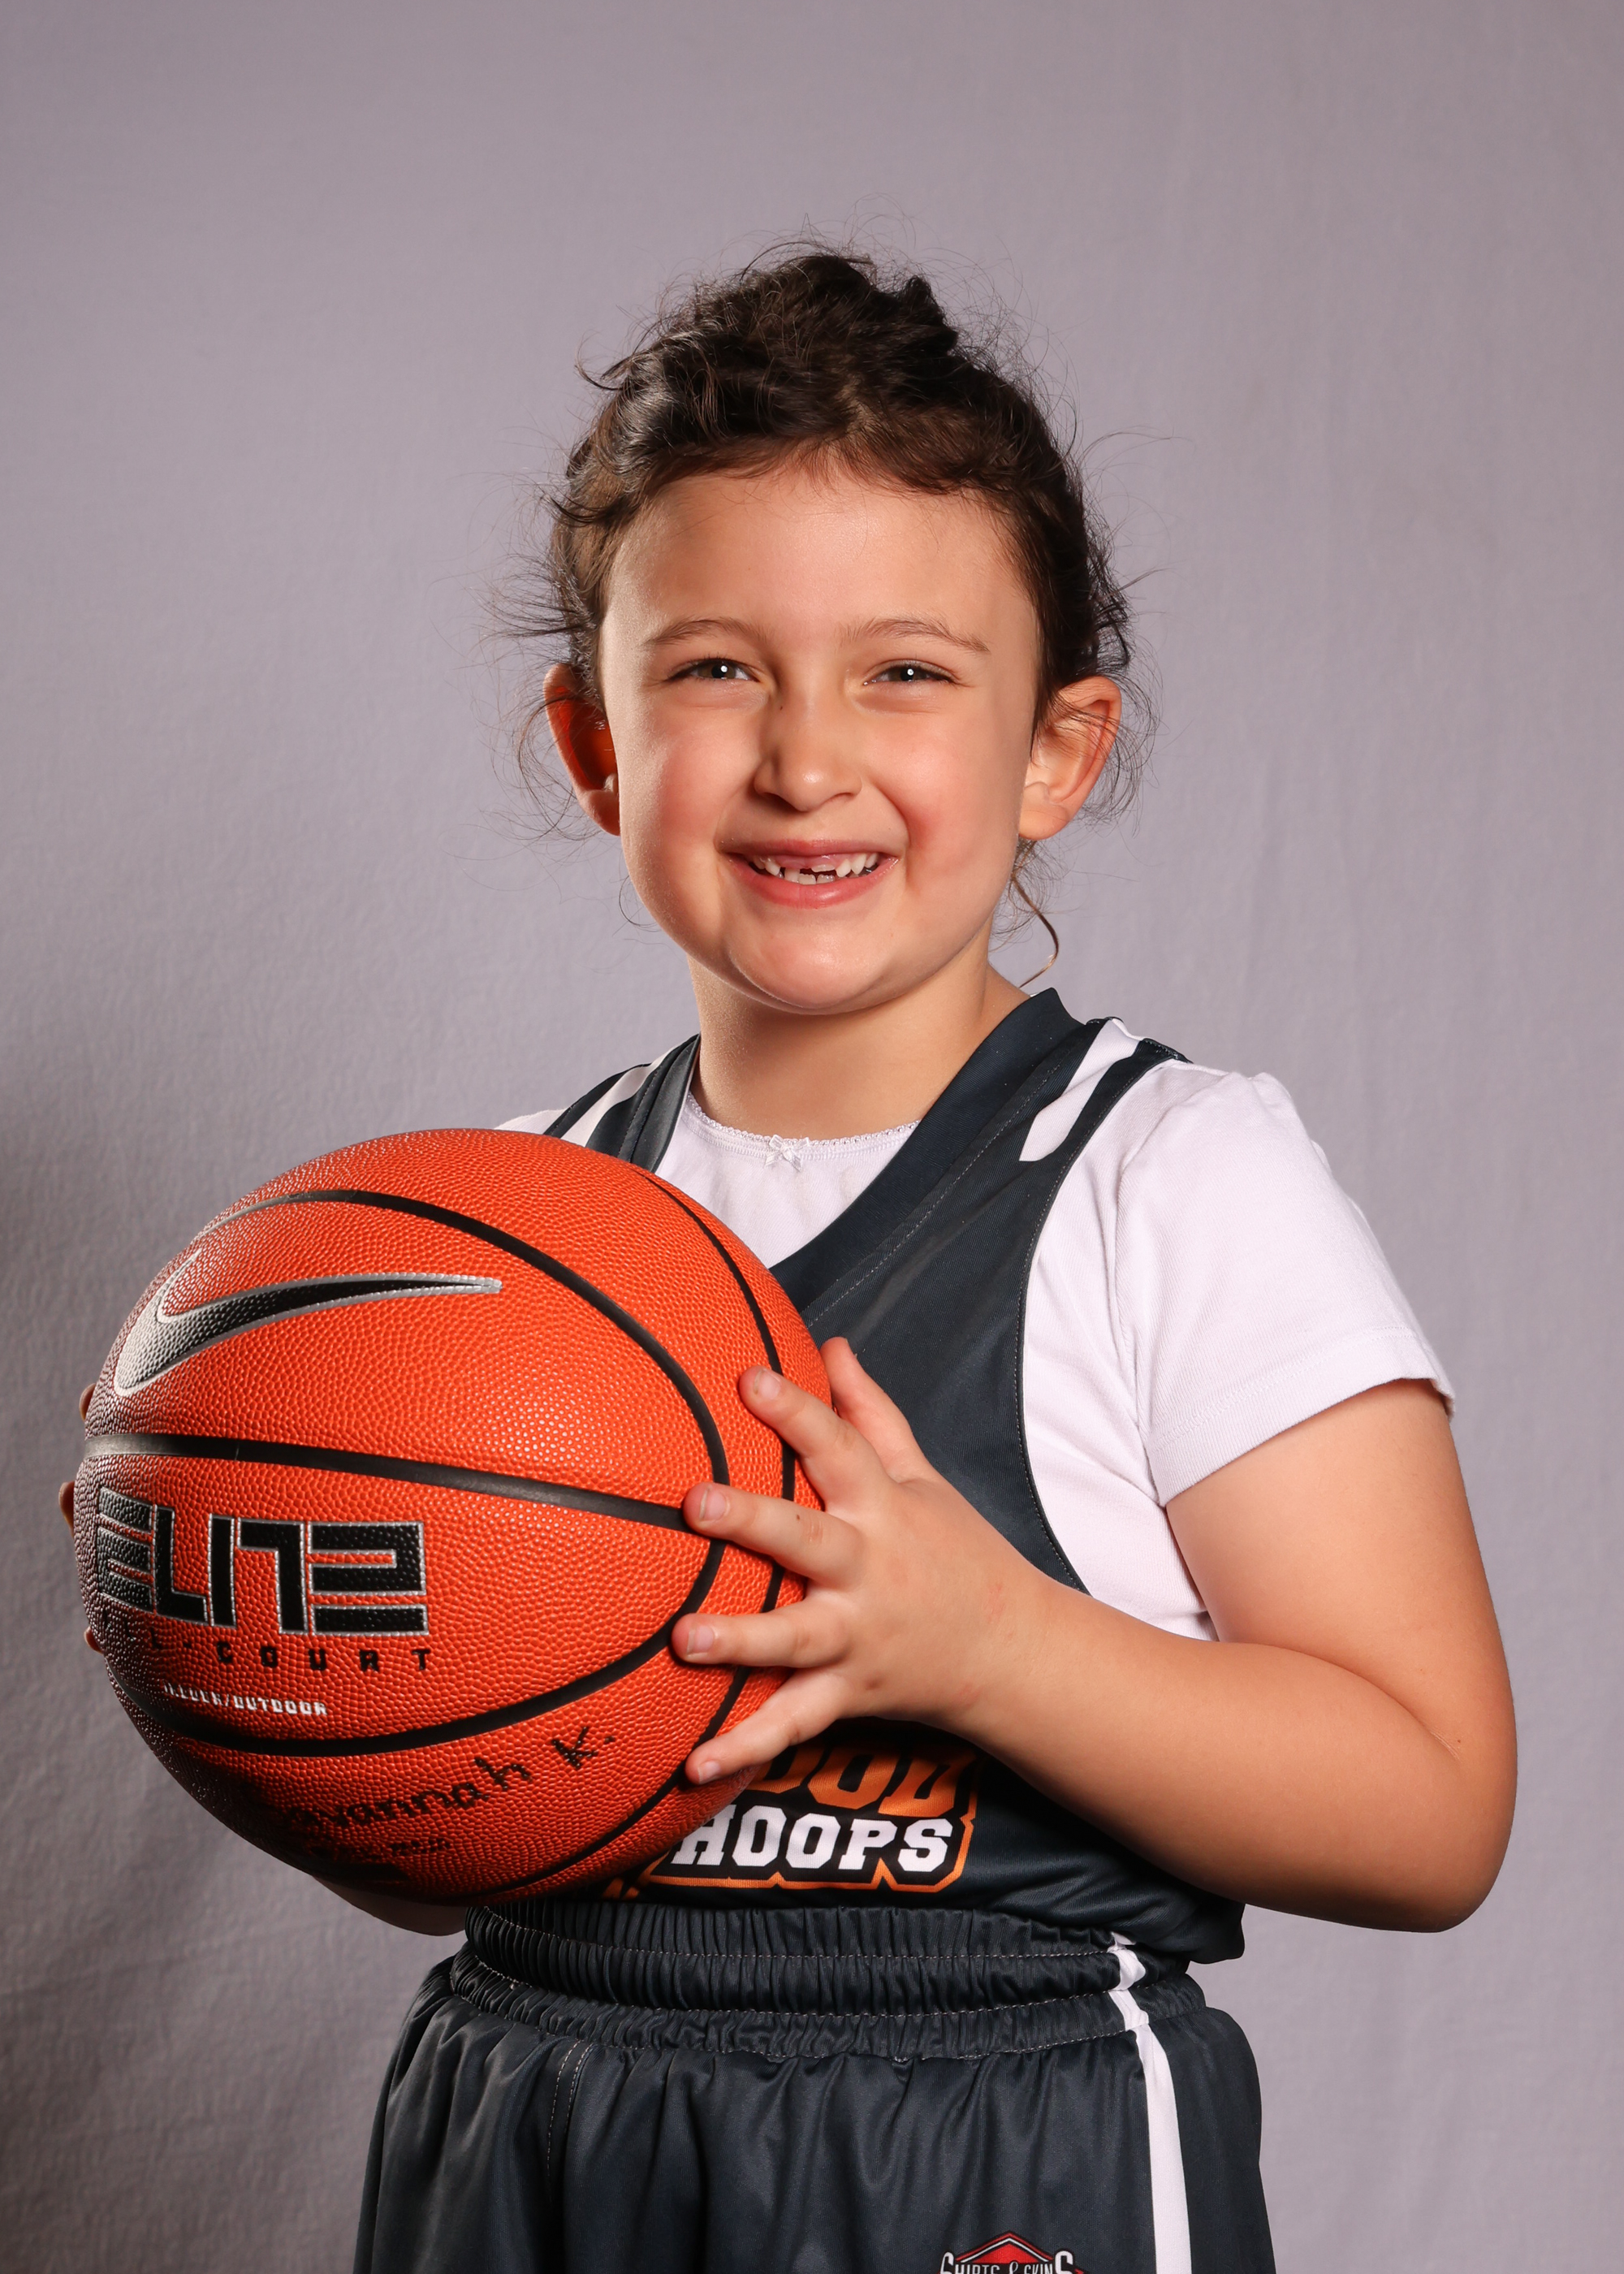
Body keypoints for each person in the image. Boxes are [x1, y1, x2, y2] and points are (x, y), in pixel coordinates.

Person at [68, 247, 1516, 2274]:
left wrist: (990, 1643)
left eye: (904, 671)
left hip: (986, 2134)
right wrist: (239, 1637)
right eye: (714, 669)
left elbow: (1431, 1809)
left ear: (1056, 748)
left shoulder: (1169, 1179)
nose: (804, 755)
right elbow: (444, 1838)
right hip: (534, 2110)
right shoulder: (495, 1222)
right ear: (593, 742)